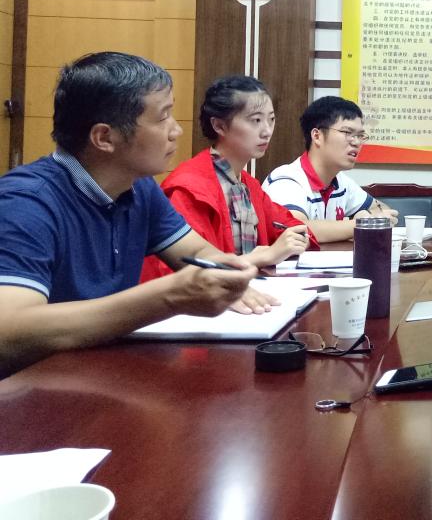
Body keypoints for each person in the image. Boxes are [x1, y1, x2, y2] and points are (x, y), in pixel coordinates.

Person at [0, 53, 269, 377]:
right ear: (104, 137)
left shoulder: (139, 188)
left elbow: (196, 252)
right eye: (163, 117)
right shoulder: (27, 203)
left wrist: (228, 274)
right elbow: (9, 331)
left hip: (101, 374)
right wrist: (169, 297)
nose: (176, 131)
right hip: (32, 391)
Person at [140, 76, 313, 281]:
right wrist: (262, 256)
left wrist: (296, 238)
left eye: (271, 119)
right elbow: (184, 273)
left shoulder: (248, 184)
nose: (267, 131)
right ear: (219, 126)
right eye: (256, 120)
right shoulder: (189, 188)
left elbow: (291, 226)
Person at [262, 96, 397, 242]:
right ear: (317, 136)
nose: (357, 142)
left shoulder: (341, 182)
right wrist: (361, 224)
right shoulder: (286, 180)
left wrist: (365, 215)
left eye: (360, 135)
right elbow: (296, 229)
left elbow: (382, 209)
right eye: (347, 133)